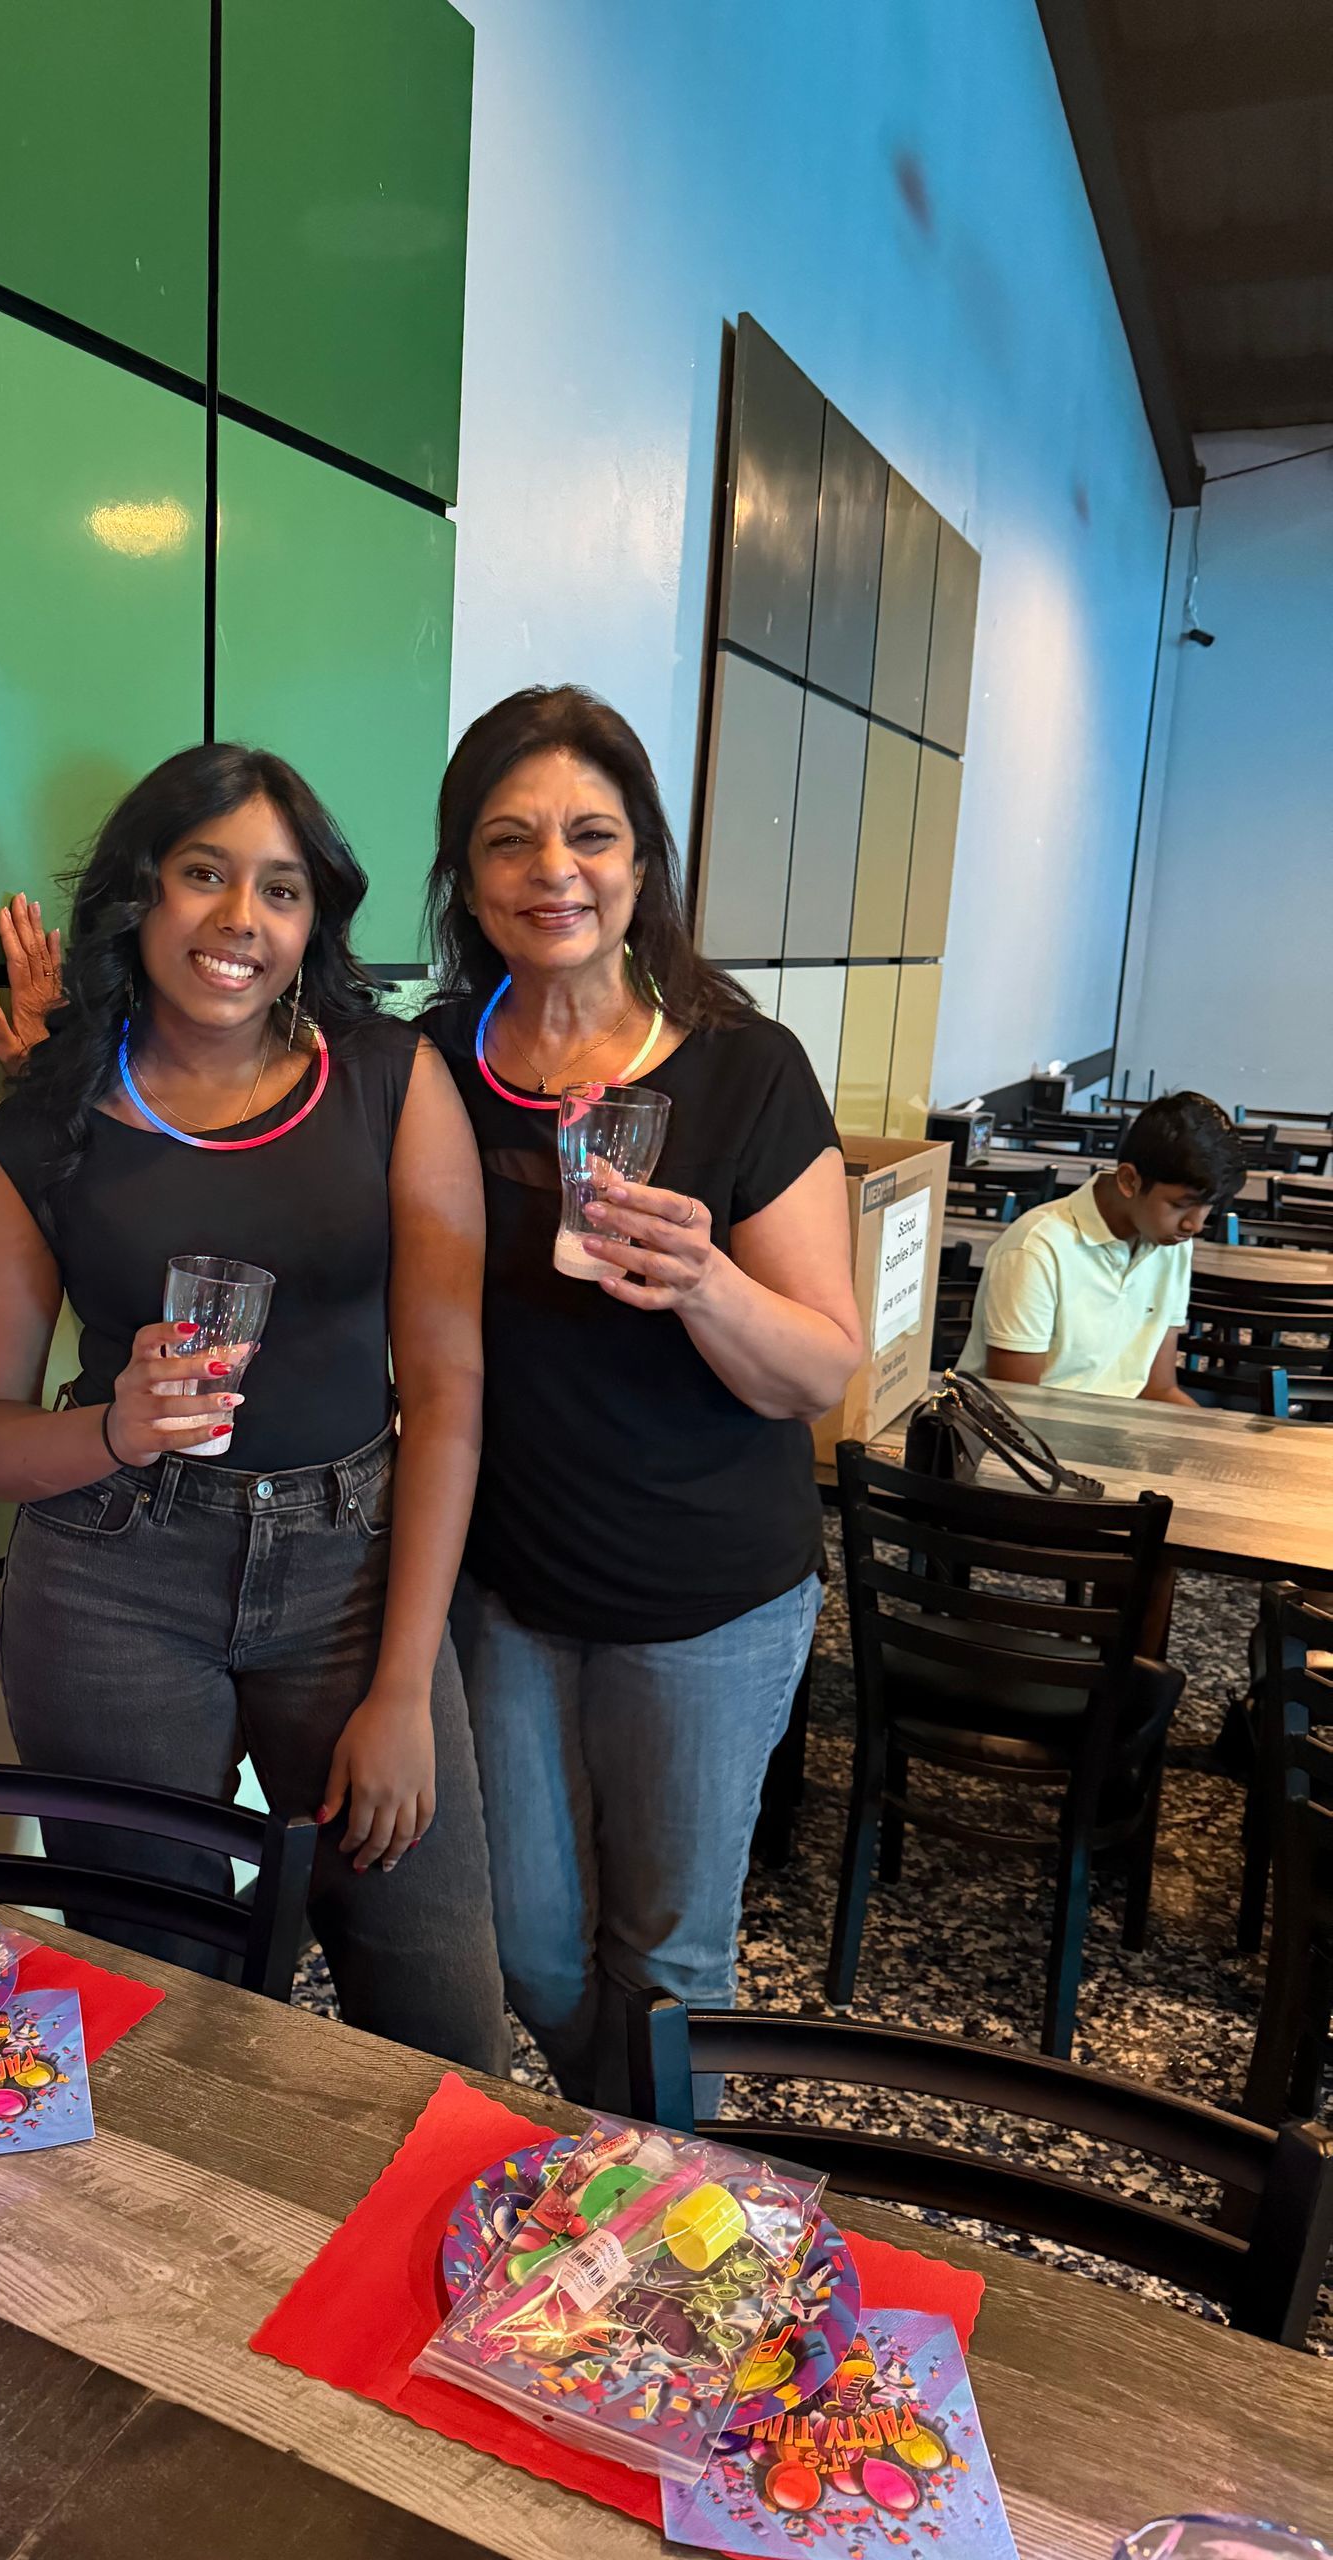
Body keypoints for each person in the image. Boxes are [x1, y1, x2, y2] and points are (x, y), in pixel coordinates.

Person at [0, 742, 509, 2075]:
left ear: (315, 923)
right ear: (141, 896)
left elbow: (447, 1383)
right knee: (162, 2016)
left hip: (353, 1567)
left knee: (439, 2013)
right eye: (203, 875)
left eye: (282, 888)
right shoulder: (43, 1132)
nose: (240, 920)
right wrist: (117, 1429)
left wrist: (408, 1684)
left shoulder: (386, 1081)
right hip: (110, 1583)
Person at [420, 685, 864, 2105]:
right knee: (535, 1952)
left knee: (670, 1961)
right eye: (512, 839)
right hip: (509, 1588)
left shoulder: (744, 1067)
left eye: (591, 835)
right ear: (468, 877)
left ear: (641, 864)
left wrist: (706, 1283)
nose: (556, 869)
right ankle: (622, 2154)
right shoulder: (433, 1062)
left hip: (708, 1599)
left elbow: (821, 1365)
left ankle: (660, 2238)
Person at [960, 1091, 1245, 1403]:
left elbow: (1158, 1388)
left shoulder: (1170, 1244)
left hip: (1114, 1429)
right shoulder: (1036, 1249)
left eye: (1208, 1208)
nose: (1195, 1225)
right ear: (1128, 1181)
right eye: (1180, 1205)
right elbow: (1016, 1409)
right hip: (1031, 1433)